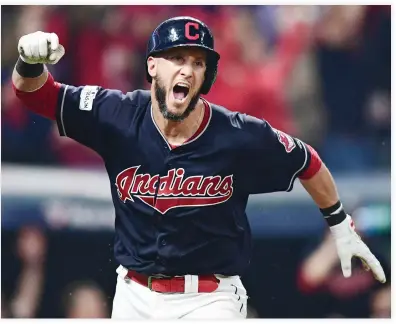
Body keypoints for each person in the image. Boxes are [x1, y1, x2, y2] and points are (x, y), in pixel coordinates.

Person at [12, 15, 385, 320]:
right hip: (134, 297)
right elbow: (34, 94)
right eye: (177, 58)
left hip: (210, 300)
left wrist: (339, 223)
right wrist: (28, 62)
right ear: (152, 66)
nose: (187, 70)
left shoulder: (237, 133)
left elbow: (307, 160)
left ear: (206, 76)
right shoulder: (116, 113)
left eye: (198, 61)